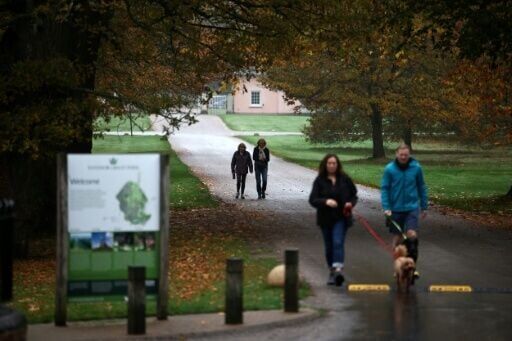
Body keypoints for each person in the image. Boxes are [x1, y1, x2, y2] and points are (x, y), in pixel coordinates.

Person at [309, 154, 358, 286]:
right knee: (329, 245)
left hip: (341, 217)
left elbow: (354, 196)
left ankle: (338, 270)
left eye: (334, 163)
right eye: (329, 163)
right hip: (325, 218)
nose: (331, 165)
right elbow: (312, 200)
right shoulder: (320, 180)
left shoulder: (345, 179)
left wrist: (350, 204)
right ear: (325, 165)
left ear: (338, 165)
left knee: (337, 242)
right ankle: (332, 271)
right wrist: (326, 201)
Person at [381, 143, 428, 281]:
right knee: (397, 239)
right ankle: (398, 267)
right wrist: (386, 207)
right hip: (395, 209)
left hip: (411, 208)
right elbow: (385, 189)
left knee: (411, 235)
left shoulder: (416, 168)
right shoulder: (389, 169)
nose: (403, 157)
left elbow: (421, 186)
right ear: (396, 154)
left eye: (406, 155)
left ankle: (412, 268)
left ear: (409, 155)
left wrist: (424, 206)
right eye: (401, 155)